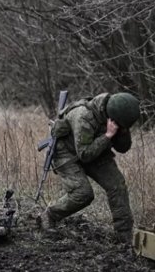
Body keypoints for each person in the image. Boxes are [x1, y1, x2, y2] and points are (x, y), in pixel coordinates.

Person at [40, 92, 140, 244]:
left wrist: (122, 132)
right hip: (66, 152)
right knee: (83, 194)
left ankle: (124, 236)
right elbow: (85, 154)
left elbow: (123, 148)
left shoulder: (115, 115)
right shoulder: (84, 117)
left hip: (95, 148)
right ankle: (49, 216)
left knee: (117, 185)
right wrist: (107, 136)